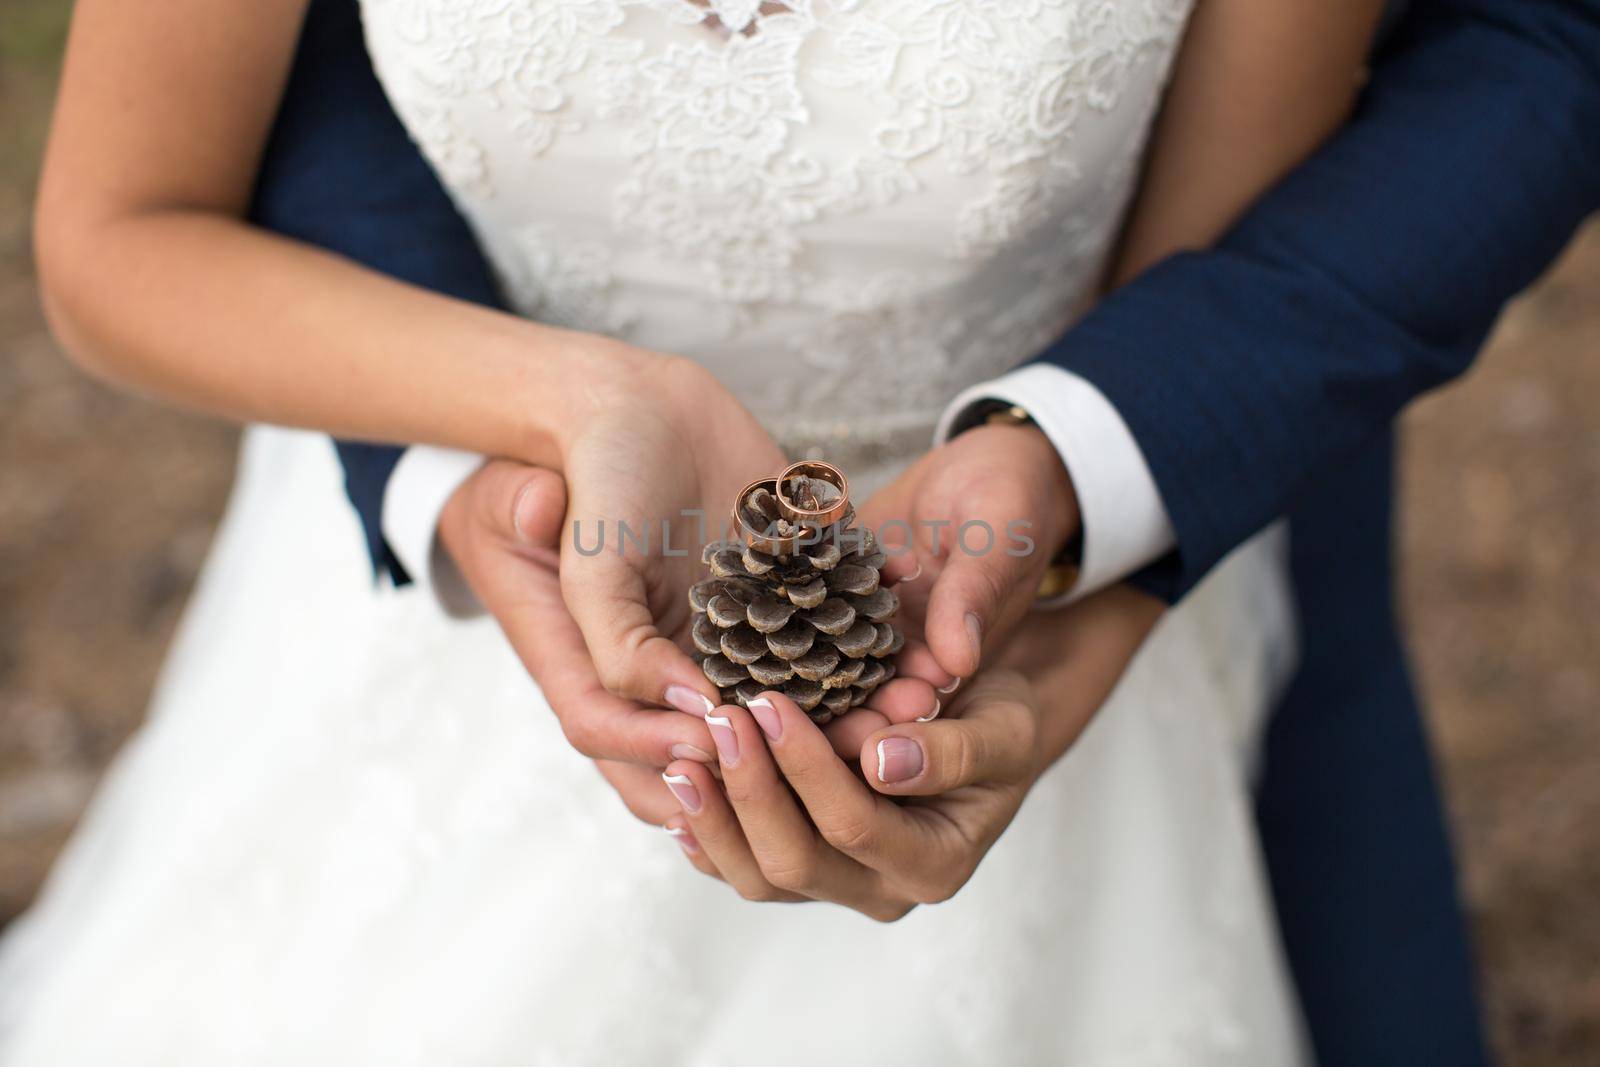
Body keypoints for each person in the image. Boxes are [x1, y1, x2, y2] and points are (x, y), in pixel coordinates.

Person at [0, 1, 1593, 1065]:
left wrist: (1079, 540)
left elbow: (1186, 299)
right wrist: (540, 415)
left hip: (997, 590)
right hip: (460, 556)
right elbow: (124, 222)